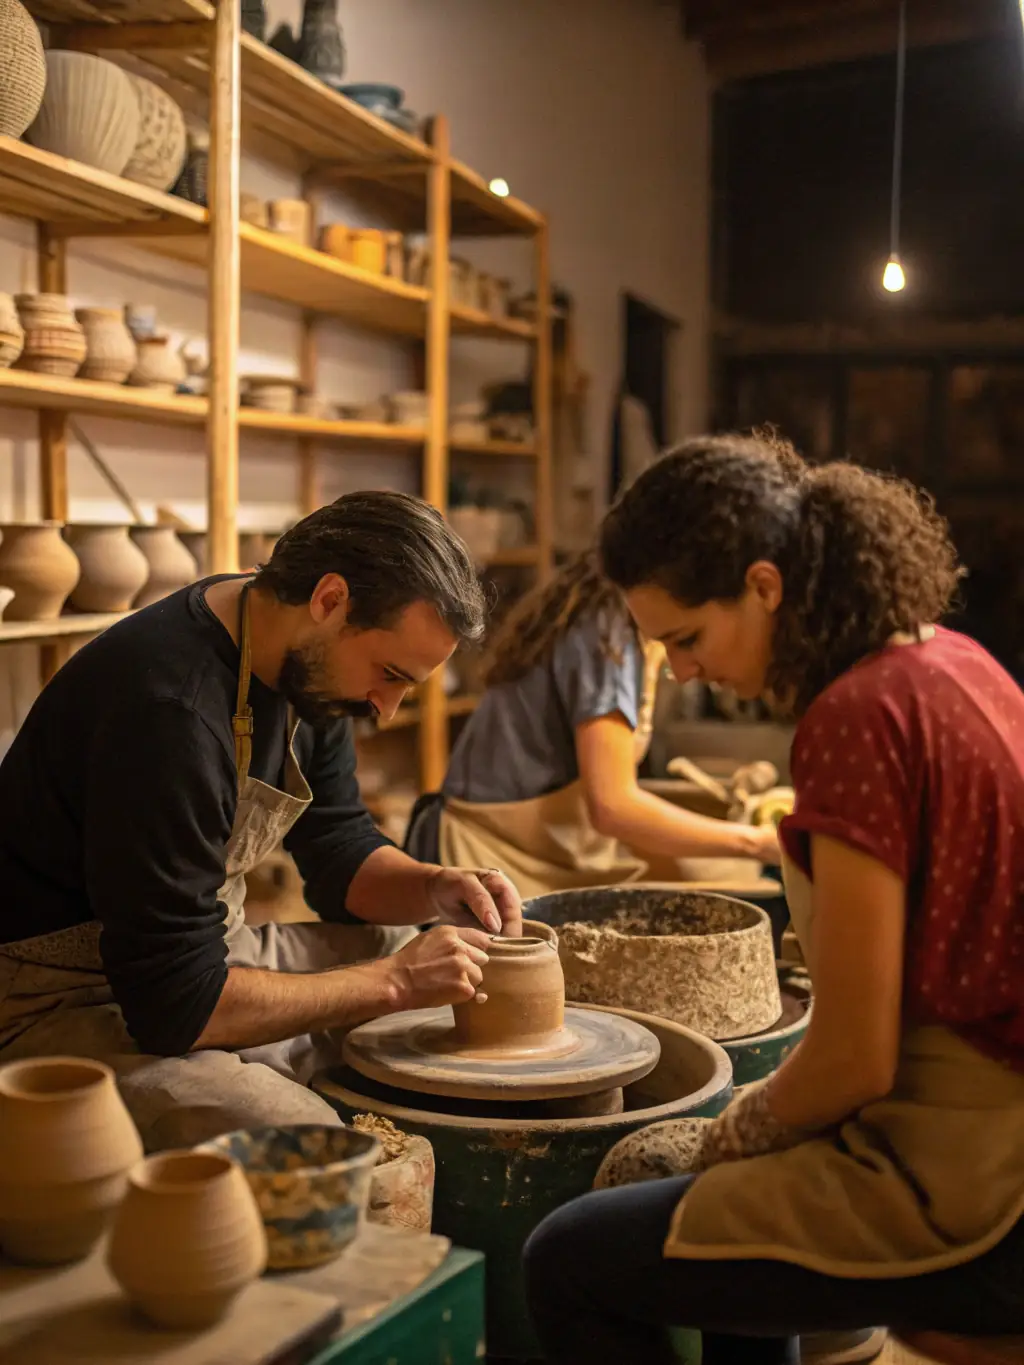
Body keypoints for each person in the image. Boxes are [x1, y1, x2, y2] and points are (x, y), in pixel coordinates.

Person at [523, 434, 1024, 1363]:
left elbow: (853, 1063)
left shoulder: (856, 717)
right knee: (728, 1233)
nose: (679, 671)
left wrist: (728, 1132)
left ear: (764, 585)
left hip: (968, 1181)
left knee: (565, 1256)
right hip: (992, 1124)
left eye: (687, 637)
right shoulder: (954, 661)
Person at [0, 491, 522, 1150]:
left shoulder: (300, 658)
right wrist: (394, 983)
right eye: (390, 674)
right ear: (330, 600)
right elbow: (173, 1007)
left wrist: (433, 886)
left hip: (201, 949)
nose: (387, 708)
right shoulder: (170, 710)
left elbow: (338, 849)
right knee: (305, 1139)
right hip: (58, 997)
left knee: (426, 958)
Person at [405, 550, 780, 901]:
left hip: (549, 848)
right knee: (734, 880)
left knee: (721, 875)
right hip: (490, 856)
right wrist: (758, 842)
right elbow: (614, 807)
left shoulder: (620, 620)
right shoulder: (607, 626)